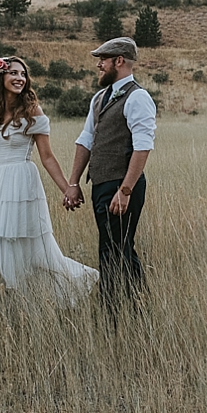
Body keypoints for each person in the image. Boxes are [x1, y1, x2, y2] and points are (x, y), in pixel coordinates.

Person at [0, 56, 98, 315]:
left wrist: (68, 188)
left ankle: (40, 303)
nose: (19, 78)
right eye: (12, 73)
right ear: (0, 77)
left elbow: (47, 156)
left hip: (22, 184)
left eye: (22, 73)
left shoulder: (33, 111)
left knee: (25, 248)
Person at [63, 37, 156, 313]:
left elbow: (143, 146)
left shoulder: (138, 97)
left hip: (122, 186)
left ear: (119, 61)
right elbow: (86, 140)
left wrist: (125, 190)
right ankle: (139, 309)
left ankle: (111, 313)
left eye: (103, 59)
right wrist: (73, 182)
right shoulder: (99, 97)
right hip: (103, 185)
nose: (98, 65)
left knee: (113, 249)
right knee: (119, 246)